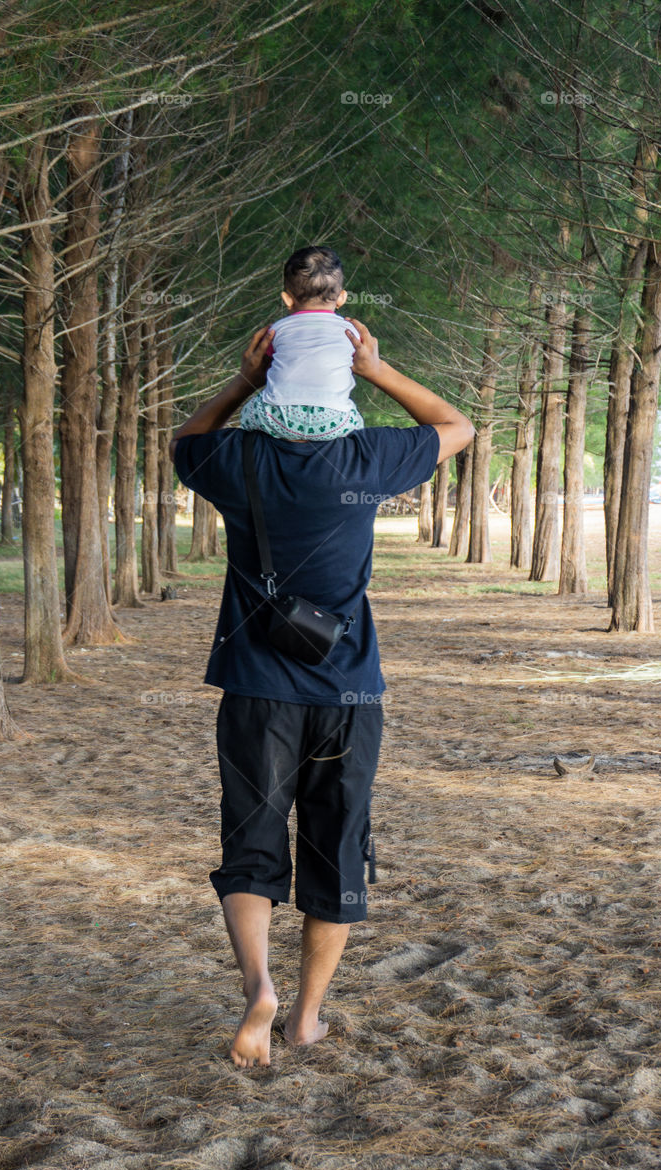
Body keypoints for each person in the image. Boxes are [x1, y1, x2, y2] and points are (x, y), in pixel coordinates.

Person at [171, 313, 475, 1068]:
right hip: (350, 694)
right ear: (340, 382)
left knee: (251, 842)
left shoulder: (237, 460)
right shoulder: (368, 456)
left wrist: (243, 378)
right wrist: (378, 369)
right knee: (334, 846)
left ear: (274, 375)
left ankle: (258, 989)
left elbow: (185, 439)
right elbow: (455, 427)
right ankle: (305, 1019)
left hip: (255, 687)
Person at [239, 245, 364, 442]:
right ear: (342, 298)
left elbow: (267, 362)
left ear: (287, 299)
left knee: (247, 414)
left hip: (278, 418)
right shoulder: (352, 332)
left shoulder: (276, 330)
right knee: (356, 419)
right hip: (334, 421)